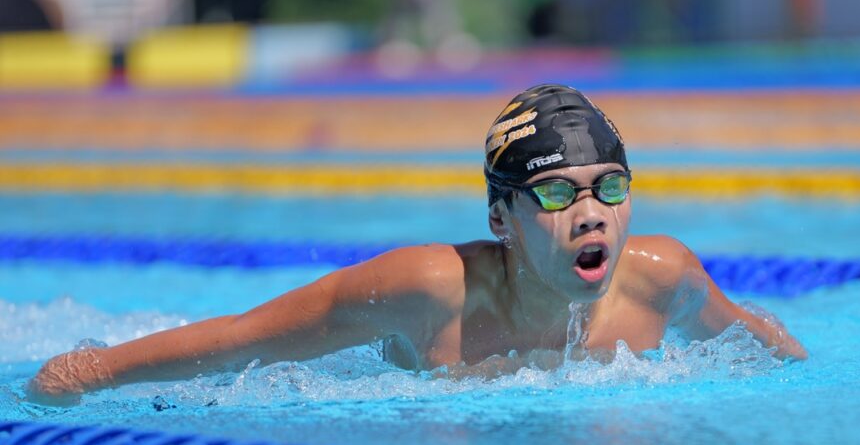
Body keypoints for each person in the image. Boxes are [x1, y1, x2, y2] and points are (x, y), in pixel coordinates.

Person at [28, 84, 805, 405]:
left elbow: (762, 348)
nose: (591, 214)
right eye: (557, 192)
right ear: (501, 219)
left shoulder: (662, 279)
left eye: (609, 186)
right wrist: (88, 372)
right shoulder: (431, 291)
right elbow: (242, 341)